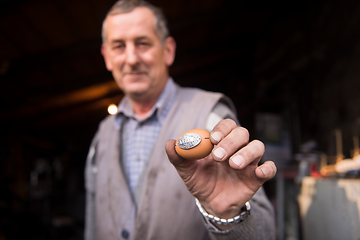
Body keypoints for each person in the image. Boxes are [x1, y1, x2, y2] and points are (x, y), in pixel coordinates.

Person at [84, 0, 277, 239]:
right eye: (119, 46)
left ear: (168, 51)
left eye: (143, 43)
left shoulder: (209, 113)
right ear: (107, 57)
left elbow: (266, 232)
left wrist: (229, 217)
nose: (131, 59)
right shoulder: (102, 135)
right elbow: (92, 225)